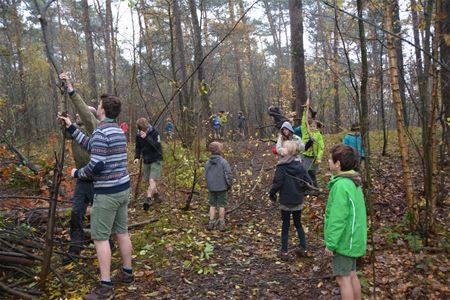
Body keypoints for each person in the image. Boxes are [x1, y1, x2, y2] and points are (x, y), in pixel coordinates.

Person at [58, 94, 134, 300]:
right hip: (122, 189)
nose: (98, 107)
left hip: (107, 192)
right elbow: (91, 145)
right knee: (122, 232)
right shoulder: (116, 130)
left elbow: (97, 165)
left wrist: (77, 173)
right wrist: (71, 126)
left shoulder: (102, 132)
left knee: (100, 238)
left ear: (102, 110)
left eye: (99, 104)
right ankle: (127, 272)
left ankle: (105, 286)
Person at [59, 73, 116, 266]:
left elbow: (85, 114)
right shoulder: (75, 130)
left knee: (99, 216)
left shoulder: (96, 130)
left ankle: (108, 245)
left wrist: (71, 89)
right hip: (82, 181)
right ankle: (75, 248)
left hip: (97, 181)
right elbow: (67, 135)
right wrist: (64, 122)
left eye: (80, 114)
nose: (78, 116)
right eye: (76, 116)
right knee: (76, 213)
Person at [325, 144, 367, 300]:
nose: (328, 161)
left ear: (338, 164)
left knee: (343, 279)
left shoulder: (341, 185)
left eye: (330, 159)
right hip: (354, 238)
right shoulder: (353, 182)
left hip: (345, 241)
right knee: (351, 275)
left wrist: (331, 243)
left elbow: (338, 218)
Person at [269, 140, 312, 261]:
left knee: (286, 225)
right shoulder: (300, 166)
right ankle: (303, 248)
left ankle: (284, 251)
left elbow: (277, 183)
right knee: (298, 223)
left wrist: (272, 194)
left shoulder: (282, 166)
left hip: (286, 200)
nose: (281, 149)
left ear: (290, 151)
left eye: (284, 147)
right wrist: (300, 190)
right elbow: (308, 181)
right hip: (298, 200)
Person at [134, 118, 164, 211]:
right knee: (149, 181)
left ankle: (148, 199)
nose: (144, 130)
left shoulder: (154, 132)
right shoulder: (138, 135)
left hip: (156, 158)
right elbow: (138, 147)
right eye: (142, 129)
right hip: (147, 160)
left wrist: (146, 137)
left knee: (152, 180)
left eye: (145, 128)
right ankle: (157, 195)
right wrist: (137, 157)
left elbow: (157, 146)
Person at [204, 141, 232, 231]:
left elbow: (205, 175)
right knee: (222, 205)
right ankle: (221, 223)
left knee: (212, 205)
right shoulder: (224, 162)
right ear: (220, 150)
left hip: (211, 187)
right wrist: (229, 185)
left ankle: (211, 222)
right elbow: (228, 174)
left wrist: (208, 185)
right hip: (222, 187)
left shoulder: (208, 163)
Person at [301, 98, 325, 189]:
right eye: (310, 126)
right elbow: (304, 121)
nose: (312, 127)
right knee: (304, 172)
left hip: (314, 157)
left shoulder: (318, 135)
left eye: (314, 126)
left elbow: (321, 147)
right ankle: (306, 188)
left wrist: (319, 157)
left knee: (312, 173)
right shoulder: (305, 132)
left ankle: (315, 189)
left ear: (316, 127)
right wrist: (305, 110)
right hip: (305, 156)